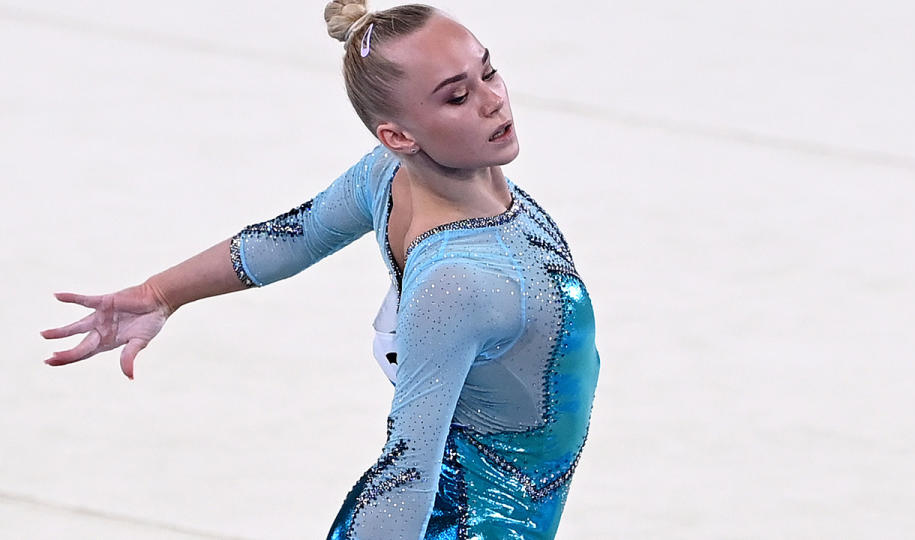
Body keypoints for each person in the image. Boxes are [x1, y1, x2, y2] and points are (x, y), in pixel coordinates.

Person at [41, 2, 601, 538]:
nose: (493, 101)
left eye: (488, 72)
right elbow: (407, 471)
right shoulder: (459, 282)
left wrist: (161, 292)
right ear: (399, 135)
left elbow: (293, 236)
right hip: (471, 522)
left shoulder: (390, 176)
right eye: (456, 97)